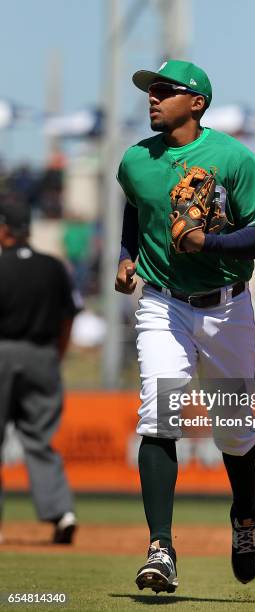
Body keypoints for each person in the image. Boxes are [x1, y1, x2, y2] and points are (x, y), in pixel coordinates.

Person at [115, 60, 255, 594]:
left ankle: (245, 518)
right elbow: (137, 208)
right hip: (164, 302)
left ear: (197, 103)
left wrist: (208, 243)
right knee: (158, 411)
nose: (153, 97)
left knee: (234, 433)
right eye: (150, 89)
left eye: (165, 90)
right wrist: (127, 254)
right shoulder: (136, 159)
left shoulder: (233, 158)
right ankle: (160, 547)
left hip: (227, 306)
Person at [0, 200, 80, 544]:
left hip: (2, 351)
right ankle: (62, 513)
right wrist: (55, 355)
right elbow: (68, 317)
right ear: (27, 230)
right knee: (39, 439)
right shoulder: (53, 267)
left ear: (4, 230)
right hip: (43, 354)